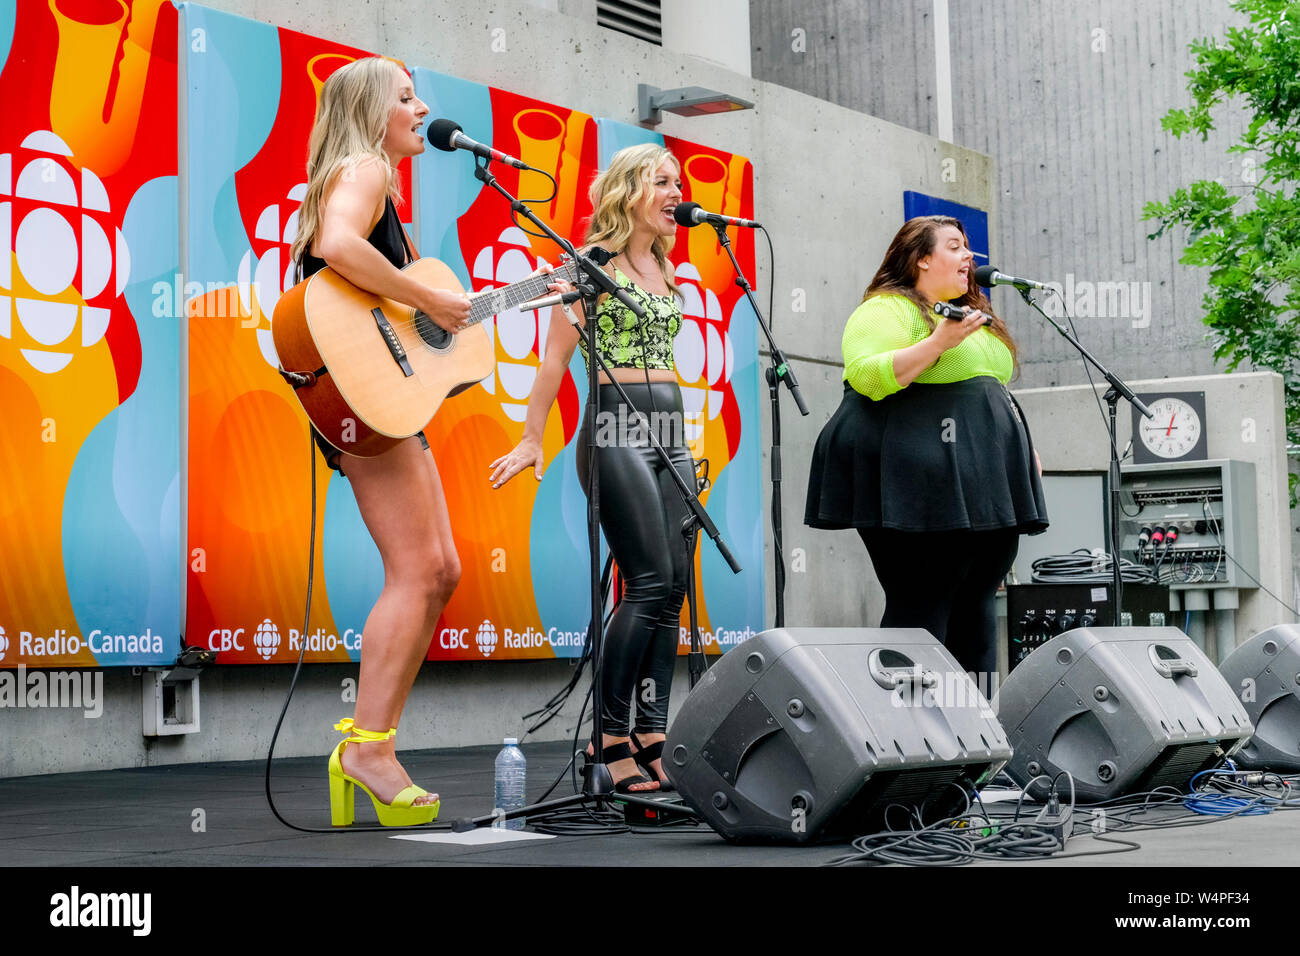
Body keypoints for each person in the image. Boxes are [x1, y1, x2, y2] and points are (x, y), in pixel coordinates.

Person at [288, 57, 471, 826]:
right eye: (406, 98)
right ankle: (367, 748)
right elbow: (335, 246)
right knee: (419, 568)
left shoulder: (370, 180)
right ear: (371, 109)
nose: (420, 107)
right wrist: (430, 294)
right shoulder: (362, 166)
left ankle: (373, 745)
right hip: (358, 391)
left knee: (442, 570)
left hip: (376, 391)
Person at [488, 144, 694, 793]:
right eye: (662, 182)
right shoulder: (589, 266)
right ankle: (607, 741)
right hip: (615, 428)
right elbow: (553, 361)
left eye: (678, 183)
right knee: (650, 583)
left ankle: (652, 731)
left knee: (676, 592)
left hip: (672, 434)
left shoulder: (665, 265)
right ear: (629, 190)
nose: (676, 194)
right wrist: (529, 438)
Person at [804, 215, 1048, 683]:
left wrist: (1019, 447)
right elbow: (868, 377)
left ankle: (973, 732)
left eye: (967, 247)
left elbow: (990, 386)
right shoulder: (887, 309)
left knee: (978, 595)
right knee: (924, 596)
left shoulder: (973, 316)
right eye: (955, 247)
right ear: (921, 259)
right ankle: (905, 733)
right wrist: (938, 342)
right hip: (916, 470)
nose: (968, 256)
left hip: (982, 469)